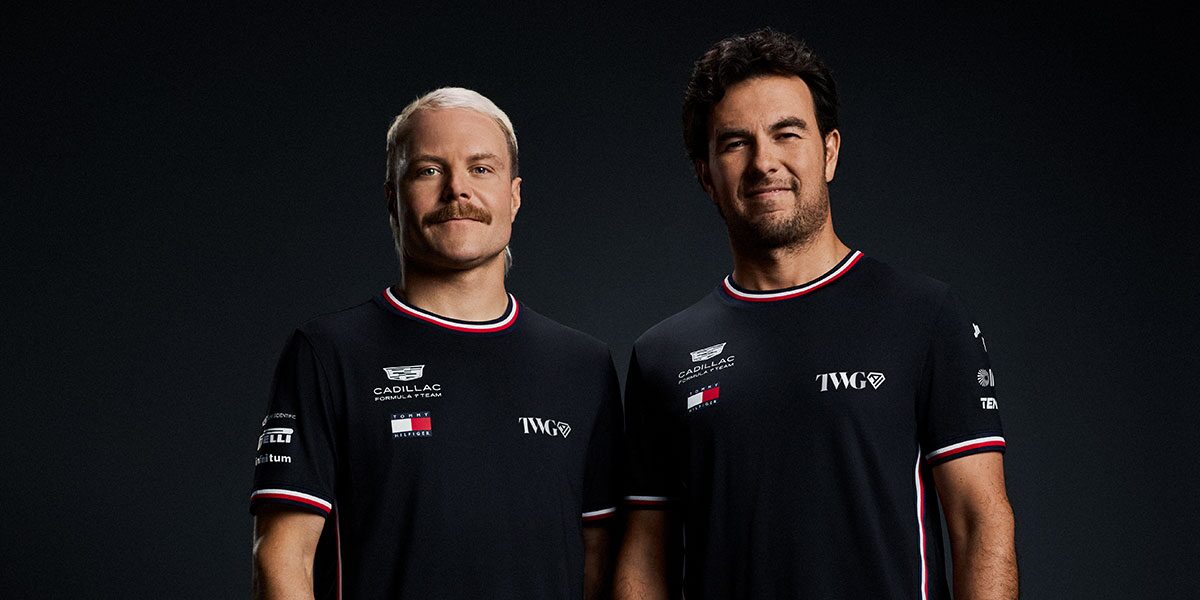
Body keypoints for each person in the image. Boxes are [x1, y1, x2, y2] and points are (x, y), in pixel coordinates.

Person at [615, 29, 1017, 599]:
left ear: (828, 151)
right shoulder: (663, 355)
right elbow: (644, 556)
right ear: (706, 176)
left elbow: (982, 524)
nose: (764, 162)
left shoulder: (924, 315)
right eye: (735, 143)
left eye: (787, 134)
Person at [250, 87, 623, 600]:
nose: (457, 191)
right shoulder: (328, 353)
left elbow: (600, 563)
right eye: (428, 170)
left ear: (514, 195)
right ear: (392, 195)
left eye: (481, 169)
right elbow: (281, 557)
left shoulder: (583, 366)